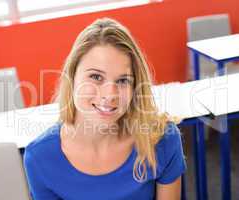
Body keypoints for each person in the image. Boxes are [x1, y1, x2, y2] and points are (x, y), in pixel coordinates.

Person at [23, 17, 186, 200]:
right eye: (96, 77)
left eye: (123, 80)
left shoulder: (161, 139)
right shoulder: (39, 158)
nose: (110, 95)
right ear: (72, 77)